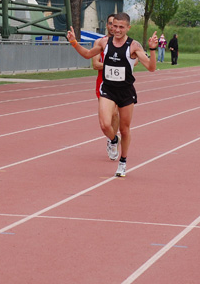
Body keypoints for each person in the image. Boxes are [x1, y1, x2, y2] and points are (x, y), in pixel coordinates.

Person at [66, 12, 158, 177]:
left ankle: (123, 161)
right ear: (111, 26)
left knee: (124, 129)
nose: (117, 30)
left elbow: (151, 68)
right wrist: (73, 42)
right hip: (108, 89)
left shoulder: (134, 46)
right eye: (114, 26)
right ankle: (113, 140)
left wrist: (152, 49)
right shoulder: (104, 42)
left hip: (126, 91)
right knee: (105, 125)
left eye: (121, 27)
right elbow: (88, 54)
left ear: (128, 28)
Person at [92, 14, 120, 160]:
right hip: (102, 83)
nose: (112, 27)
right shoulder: (99, 42)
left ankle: (112, 141)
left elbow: (134, 61)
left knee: (115, 113)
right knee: (105, 120)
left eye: (115, 24)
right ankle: (112, 136)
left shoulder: (124, 44)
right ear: (107, 25)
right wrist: (113, 65)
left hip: (119, 83)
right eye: (110, 24)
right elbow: (95, 64)